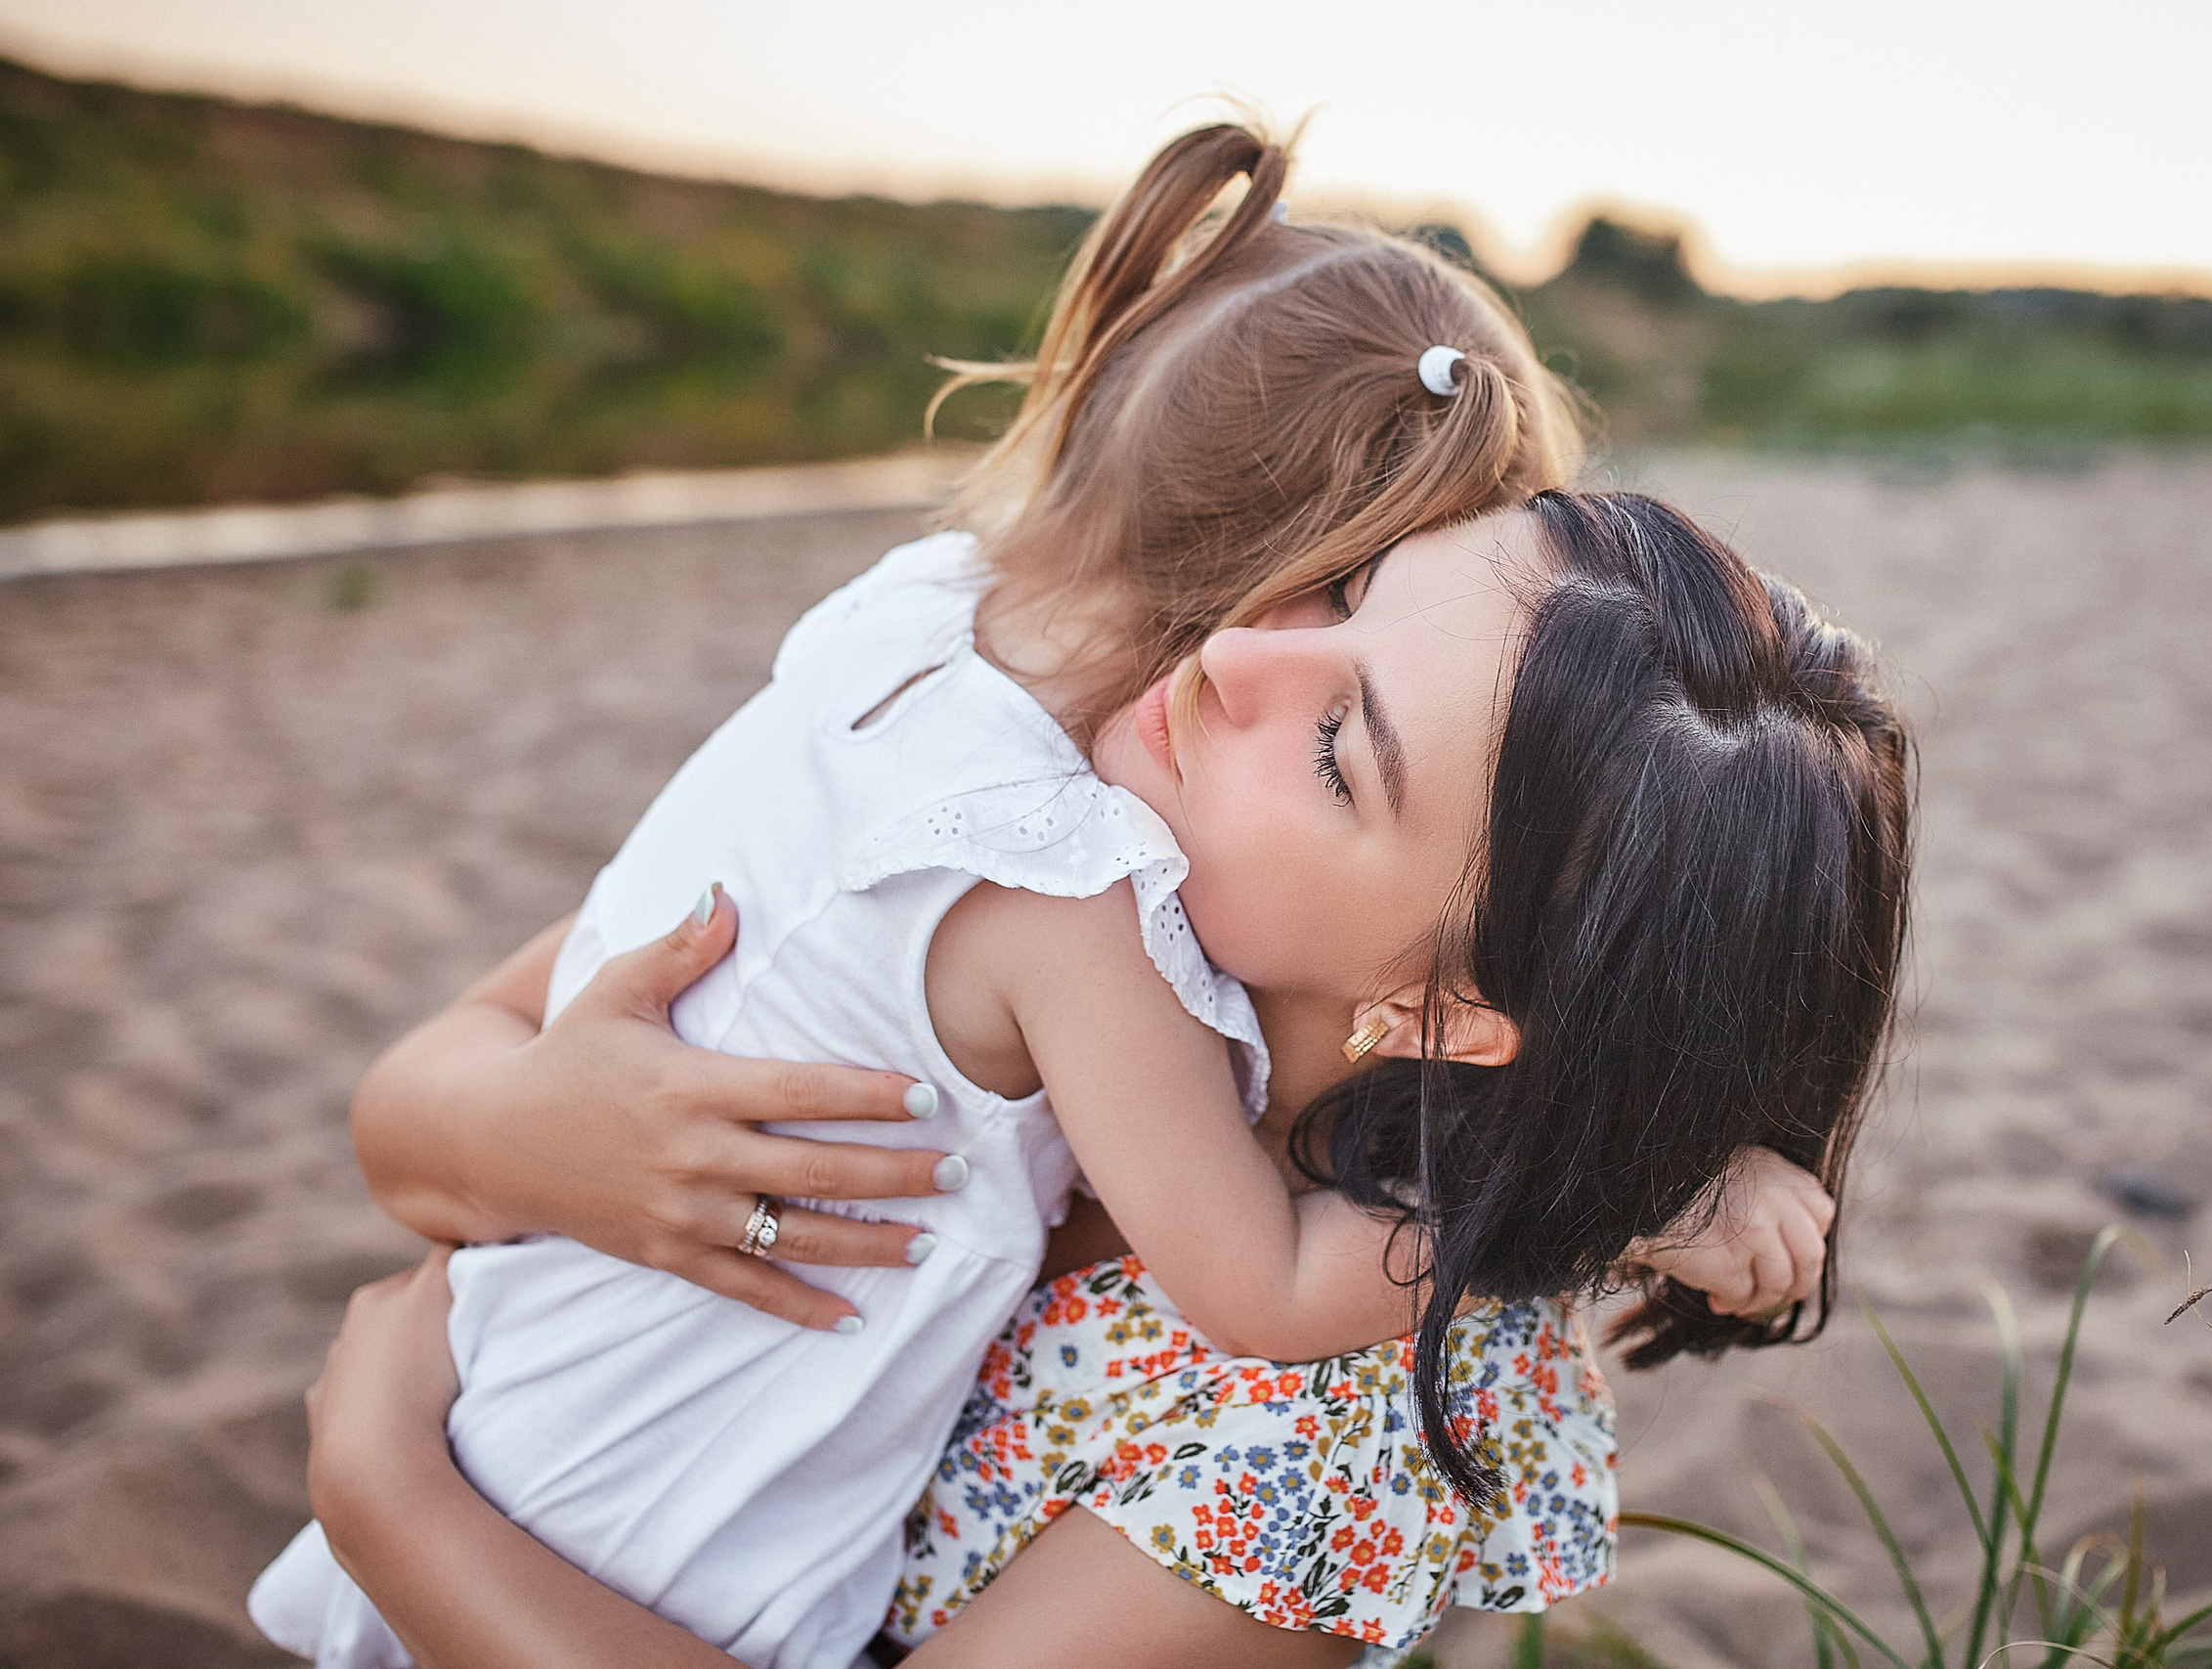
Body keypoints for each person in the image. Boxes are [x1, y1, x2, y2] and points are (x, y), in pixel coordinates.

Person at [290, 484, 1907, 1669]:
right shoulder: (1023, 825)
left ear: (1449, 1012)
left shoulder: (1343, 1417)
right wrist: (538, 1133)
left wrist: (389, 1501)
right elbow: (409, 1123)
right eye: (1347, 583)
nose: (1237, 649)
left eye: (1339, 753)